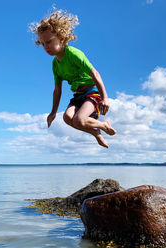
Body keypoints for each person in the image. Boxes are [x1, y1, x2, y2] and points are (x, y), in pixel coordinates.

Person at [30, 9, 116, 148]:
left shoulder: (74, 54)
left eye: (49, 42)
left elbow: (95, 74)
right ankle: (96, 132)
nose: (46, 47)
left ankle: (103, 125)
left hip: (92, 92)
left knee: (79, 120)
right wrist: (52, 113)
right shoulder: (55, 65)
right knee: (67, 118)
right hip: (78, 95)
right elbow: (57, 90)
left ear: (62, 38)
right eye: (43, 43)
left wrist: (105, 98)